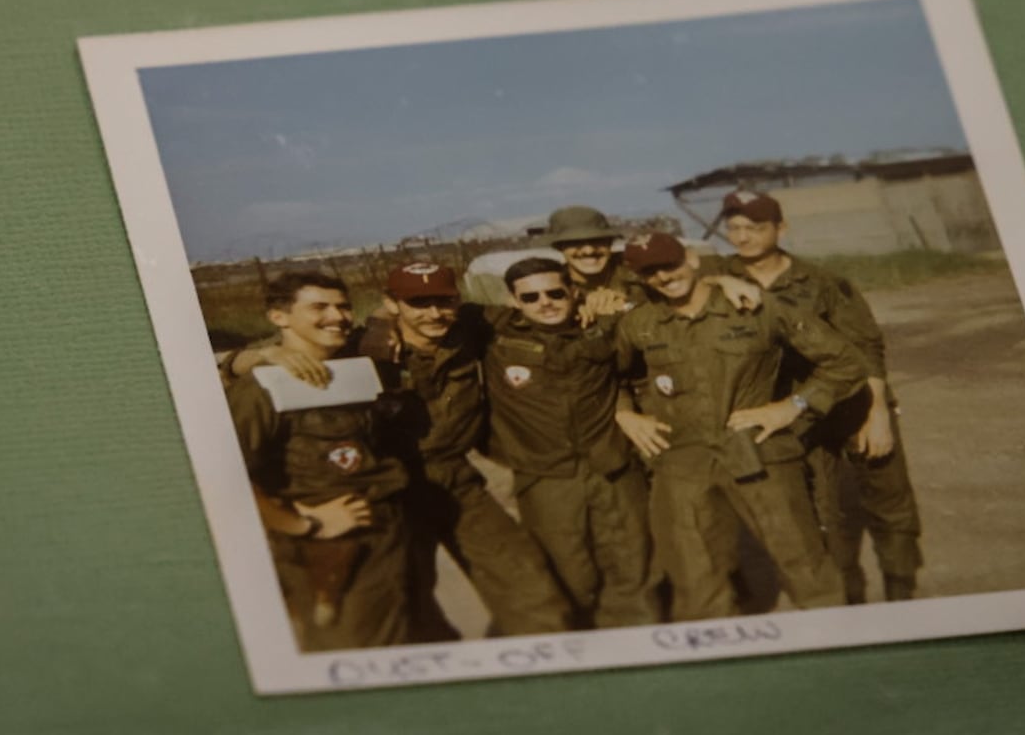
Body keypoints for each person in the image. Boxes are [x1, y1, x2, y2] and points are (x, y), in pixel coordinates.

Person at [613, 233, 871, 620]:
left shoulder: (756, 307)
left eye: (669, 264)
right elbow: (607, 376)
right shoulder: (640, 322)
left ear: (692, 259)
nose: (664, 277)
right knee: (697, 580)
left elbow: (846, 362)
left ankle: (841, 649)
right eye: (650, 272)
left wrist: (792, 406)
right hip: (684, 461)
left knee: (805, 567)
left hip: (758, 452)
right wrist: (624, 413)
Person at [717, 190, 924, 603]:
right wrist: (717, 278)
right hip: (793, 414)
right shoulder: (716, 276)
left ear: (780, 228)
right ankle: (847, 603)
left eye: (755, 227)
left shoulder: (824, 283)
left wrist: (877, 411)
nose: (744, 237)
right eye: (735, 228)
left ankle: (902, 597)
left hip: (850, 402)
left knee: (890, 503)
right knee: (823, 516)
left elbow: (866, 347)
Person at [362, 262, 571, 640]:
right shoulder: (363, 348)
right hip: (392, 489)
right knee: (403, 603)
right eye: (418, 303)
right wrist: (247, 359)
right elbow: (256, 363)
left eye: (444, 301)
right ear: (392, 304)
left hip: (457, 480)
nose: (433, 313)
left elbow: (532, 314)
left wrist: (587, 300)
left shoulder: (469, 328)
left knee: (529, 586)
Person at [221, 272, 410, 651]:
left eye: (343, 306)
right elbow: (224, 477)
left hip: (388, 538)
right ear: (279, 317)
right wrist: (303, 525)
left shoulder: (354, 365)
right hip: (332, 552)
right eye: (319, 307)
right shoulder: (262, 387)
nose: (338, 317)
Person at [482, 256, 660, 628]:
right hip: (547, 476)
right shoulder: (492, 334)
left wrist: (612, 301)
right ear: (513, 302)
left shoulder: (603, 325)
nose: (544, 303)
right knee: (566, 573)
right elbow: (423, 318)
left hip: (610, 466)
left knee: (633, 565)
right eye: (530, 298)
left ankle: (638, 652)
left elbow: (661, 312)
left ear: (573, 292)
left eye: (555, 293)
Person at [544, 204, 652, 310]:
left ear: (609, 243)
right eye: (576, 242)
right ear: (560, 247)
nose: (589, 250)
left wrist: (626, 304)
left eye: (597, 240)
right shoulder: (550, 284)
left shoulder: (636, 268)